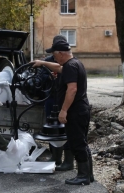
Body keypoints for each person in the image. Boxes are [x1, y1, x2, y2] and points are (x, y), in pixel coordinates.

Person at [32, 39, 94, 185]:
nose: (54, 57)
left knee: (77, 143)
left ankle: (83, 176)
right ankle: (88, 175)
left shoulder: (70, 67)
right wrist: (42, 63)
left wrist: (63, 111)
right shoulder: (74, 63)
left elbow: (72, 89)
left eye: (54, 54)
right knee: (82, 142)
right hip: (81, 110)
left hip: (75, 111)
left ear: (60, 53)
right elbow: (58, 68)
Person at [43, 35, 74, 171]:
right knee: (52, 127)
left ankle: (68, 160)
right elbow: (41, 79)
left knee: (66, 128)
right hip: (51, 98)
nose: (55, 57)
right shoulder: (49, 61)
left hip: (65, 98)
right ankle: (55, 156)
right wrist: (49, 76)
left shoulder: (70, 63)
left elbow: (72, 85)